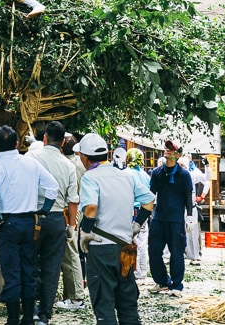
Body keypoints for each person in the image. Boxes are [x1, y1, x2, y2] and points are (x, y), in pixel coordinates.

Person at [77, 133, 155, 325]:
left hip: (101, 248)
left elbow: (91, 208)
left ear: (85, 158)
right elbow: (149, 201)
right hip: (124, 249)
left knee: (104, 305)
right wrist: (136, 225)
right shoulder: (126, 176)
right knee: (127, 304)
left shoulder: (90, 177)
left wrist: (85, 233)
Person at [0, 125, 59, 325]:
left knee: (11, 271)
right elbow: (52, 186)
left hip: (7, 222)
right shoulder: (31, 164)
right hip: (29, 221)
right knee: (29, 269)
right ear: (17, 144)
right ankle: (28, 318)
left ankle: (12, 319)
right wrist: (44, 210)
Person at [26, 121, 80, 325]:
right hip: (57, 219)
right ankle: (45, 316)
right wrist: (71, 227)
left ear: (45, 138)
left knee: (30, 264)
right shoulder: (68, 165)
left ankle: (31, 310)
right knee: (51, 268)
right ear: (63, 142)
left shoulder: (31, 157)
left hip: (32, 217)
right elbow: (72, 200)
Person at [147, 140, 194, 296]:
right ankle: (162, 281)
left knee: (177, 252)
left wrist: (190, 216)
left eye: (171, 150)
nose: (167, 151)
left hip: (176, 219)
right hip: (159, 217)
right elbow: (150, 196)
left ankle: (176, 284)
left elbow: (188, 197)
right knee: (154, 251)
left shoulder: (184, 174)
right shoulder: (157, 173)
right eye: (166, 148)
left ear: (178, 155)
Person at [57, 132, 86, 310]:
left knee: (70, 251)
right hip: (78, 209)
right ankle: (70, 294)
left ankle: (76, 297)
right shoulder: (79, 163)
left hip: (71, 210)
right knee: (70, 251)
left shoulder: (66, 165)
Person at [126, 147, 152, 280]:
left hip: (130, 211)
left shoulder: (126, 173)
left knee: (130, 241)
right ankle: (142, 271)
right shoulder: (145, 176)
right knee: (142, 242)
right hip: (144, 211)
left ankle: (132, 269)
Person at [177, 156, 202, 267]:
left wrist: (202, 196)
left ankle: (195, 255)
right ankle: (183, 253)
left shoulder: (192, 174)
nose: (182, 167)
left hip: (191, 206)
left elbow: (207, 179)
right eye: (180, 165)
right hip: (179, 207)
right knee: (179, 232)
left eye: (184, 165)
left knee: (193, 231)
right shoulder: (175, 176)